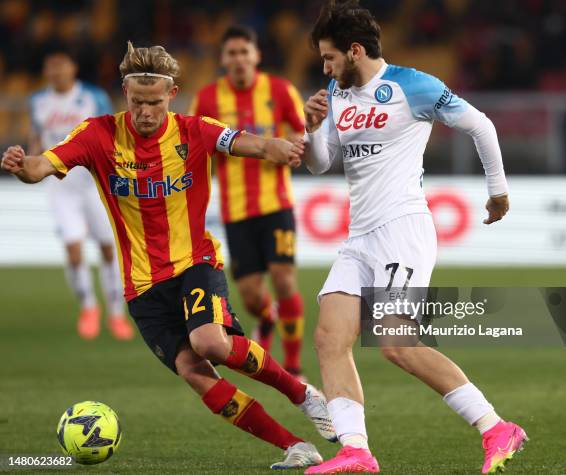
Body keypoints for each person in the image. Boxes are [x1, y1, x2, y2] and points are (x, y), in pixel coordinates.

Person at [2, 42, 335, 469]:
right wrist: (21, 164)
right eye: (137, 102)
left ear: (172, 93)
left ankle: (302, 394)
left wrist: (276, 148)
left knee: (209, 341)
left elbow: (247, 143)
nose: (144, 112)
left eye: (154, 102)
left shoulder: (194, 130)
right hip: (141, 285)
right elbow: (40, 168)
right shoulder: (97, 134)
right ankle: (294, 446)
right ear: (126, 93)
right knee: (195, 373)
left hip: (194, 262)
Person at [301, 1, 527, 473]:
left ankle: (495, 426)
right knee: (328, 337)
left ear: (355, 50)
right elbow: (321, 163)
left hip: (402, 229)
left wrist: (498, 193)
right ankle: (356, 451)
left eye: (329, 57)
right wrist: (313, 128)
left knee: (395, 342)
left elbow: (480, 125)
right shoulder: (336, 95)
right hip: (359, 234)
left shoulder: (414, 86)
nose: (324, 67)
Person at [190, 26, 306, 377]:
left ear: (256, 55)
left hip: (277, 205)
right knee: (253, 296)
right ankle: (267, 320)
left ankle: (294, 365)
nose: (239, 59)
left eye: (245, 52)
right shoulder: (209, 99)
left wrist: (290, 147)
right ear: (223, 59)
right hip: (236, 210)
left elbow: (302, 132)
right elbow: (197, 147)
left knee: (284, 279)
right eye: (232, 53)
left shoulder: (280, 90)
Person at [28, 48, 133, 340]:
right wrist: (31, 162)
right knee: (74, 252)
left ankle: (115, 312)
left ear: (73, 67)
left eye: (61, 65)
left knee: (108, 249)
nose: (56, 71)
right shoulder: (37, 101)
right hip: (60, 186)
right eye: (51, 66)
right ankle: (89, 307)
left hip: (93, 184)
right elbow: (36, 137)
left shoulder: (93, 97)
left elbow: (111, 135)